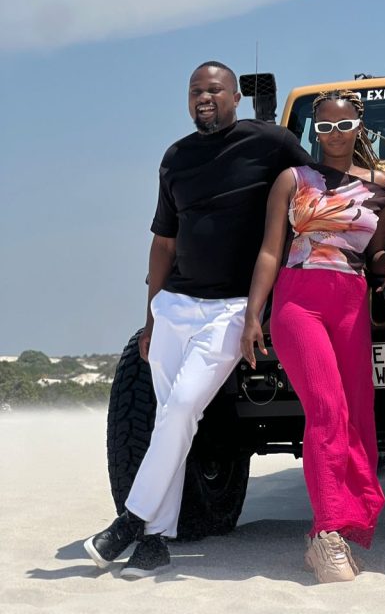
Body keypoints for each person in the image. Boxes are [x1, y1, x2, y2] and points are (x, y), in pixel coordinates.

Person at [84, 61, 311, 578]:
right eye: (194, 92)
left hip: (232, 308)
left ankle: (131, 521)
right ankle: (156, 540)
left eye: (213, 90)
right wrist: (150, 317)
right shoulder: (176, 158)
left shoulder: (271, 142)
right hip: (175, 306)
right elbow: (163, 240)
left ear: (234, 96)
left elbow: (319, 185)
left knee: (184, 407)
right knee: (171, 418)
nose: (203, 98)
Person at [240, 90, 385, 583]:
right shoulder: (294, 180)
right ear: (312, 133)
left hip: (352, 304)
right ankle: (325, 535)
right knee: (326, 410)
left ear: (361, 126)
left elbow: (374, 254)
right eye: (324, 128)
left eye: (344, 126)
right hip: (299, 302)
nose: (334, 136)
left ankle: (346, 520)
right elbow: (271, 252)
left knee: (357, 415)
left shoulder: (381, 186)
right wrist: (256, 314)